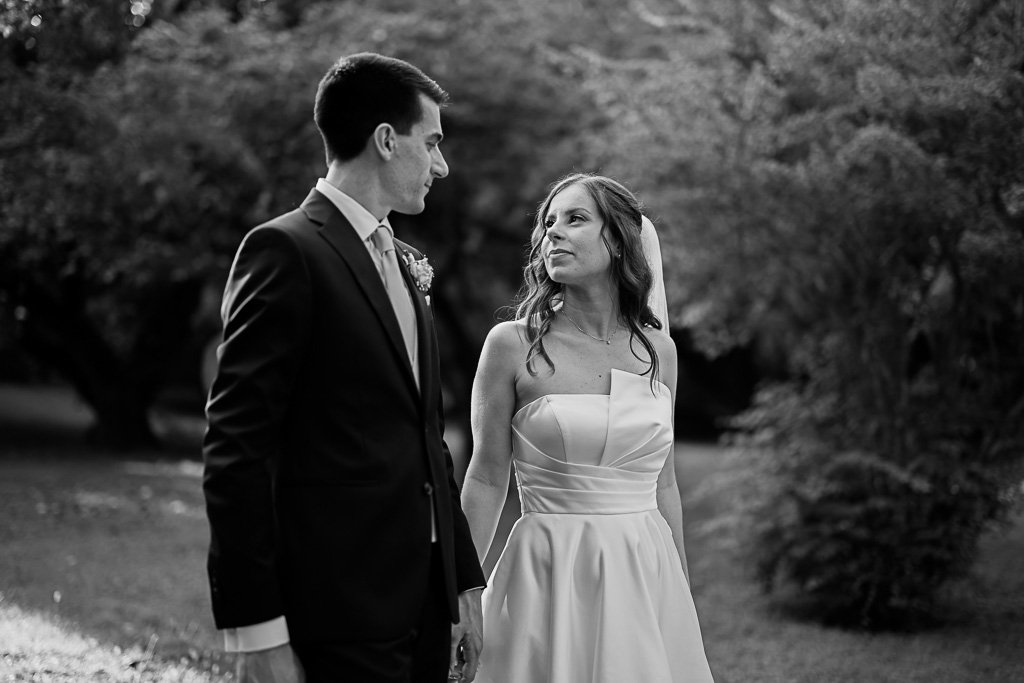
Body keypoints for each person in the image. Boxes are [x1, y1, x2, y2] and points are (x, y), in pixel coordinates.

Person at [202, 53, 485, 683]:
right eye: (431, 142)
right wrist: (256, 633)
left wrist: (460, 586)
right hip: (335, 612)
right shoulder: (286, 250)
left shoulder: (404, 264)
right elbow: (235, 450)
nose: (441, 165)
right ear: (385, 140)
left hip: (422, 611)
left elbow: (426, 441)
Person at [460, 173, 714, 682]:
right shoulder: (511, 344)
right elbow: (486, 478)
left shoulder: (658, 350)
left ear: (617, 241)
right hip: (547, 569)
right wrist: (460, 591)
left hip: (644, 568)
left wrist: (679, 584)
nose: (553, 232)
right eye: (548, 222)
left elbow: (664, 482)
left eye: (575, 219)